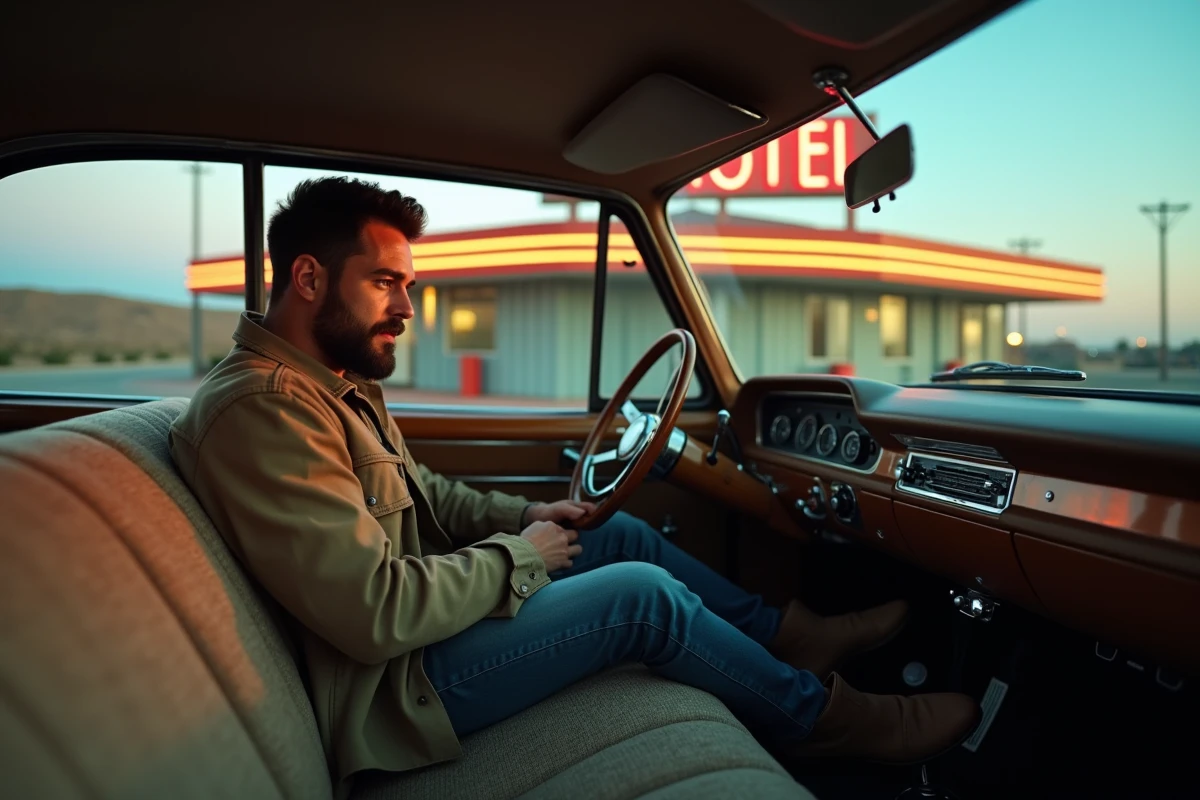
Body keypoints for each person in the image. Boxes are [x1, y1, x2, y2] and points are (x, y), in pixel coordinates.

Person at [169, 177, 980, 794]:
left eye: (407, 285)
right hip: (393, 693)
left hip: (414, 646)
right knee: (641, 596)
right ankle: (828, 721)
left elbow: (425, 496)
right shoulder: (265, 413)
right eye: (387, 282)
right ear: (309, 279)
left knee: (614, 535)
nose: (408, 307)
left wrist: (526, 514)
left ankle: (788, 636)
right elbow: (374, 613)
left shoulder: (329, 386)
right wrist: (519, 556)